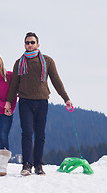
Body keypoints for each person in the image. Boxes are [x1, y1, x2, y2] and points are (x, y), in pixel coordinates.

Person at [5, 32, 72, 176]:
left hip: (42, 102)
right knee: (27, 133)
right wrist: (8, 103)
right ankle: (26, 165)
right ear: (24, 45)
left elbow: (56, 81)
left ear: (38, 44)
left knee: (40, 134)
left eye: (32, 42)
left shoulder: (47, 61)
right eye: (27, 43)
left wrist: (66, 98)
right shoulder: (19, 62)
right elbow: (13, 85)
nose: (30, 45)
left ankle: (38, 165)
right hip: (25, 102)